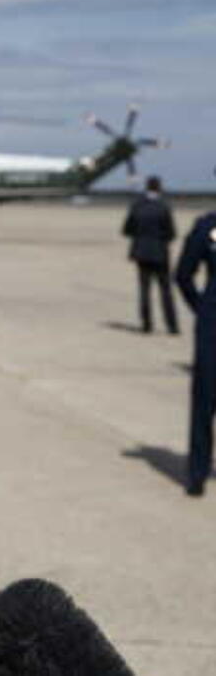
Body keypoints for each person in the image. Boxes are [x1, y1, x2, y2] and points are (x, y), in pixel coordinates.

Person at [175, 192, 216, 497]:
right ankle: (197, 472)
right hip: (212, 327)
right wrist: (202, 308)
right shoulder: (206, 228)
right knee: (204, 399)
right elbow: (183, 275)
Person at [122, 175, 178, 334]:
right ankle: (172, 325)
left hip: (141, 252)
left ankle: (147, 325)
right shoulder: (163, 206)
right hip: (160, 252)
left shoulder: (137, 206)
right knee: (165, 290)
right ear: (159, 188)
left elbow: (126, 229)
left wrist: (140, 237)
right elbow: (171, 232)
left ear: (147, 187)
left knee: (144, 290)